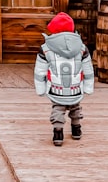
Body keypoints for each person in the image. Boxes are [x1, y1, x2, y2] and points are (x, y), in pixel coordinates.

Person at [34, 12, 95, 146]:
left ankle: (58, 133)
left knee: (58, 108)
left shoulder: (45, 49)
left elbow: (40, 71)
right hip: (76, 88)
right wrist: (88, 87)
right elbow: (89, 70)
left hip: (56, 89)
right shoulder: (82, 48)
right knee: (75, 107)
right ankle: (76, 129)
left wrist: (40, 89)